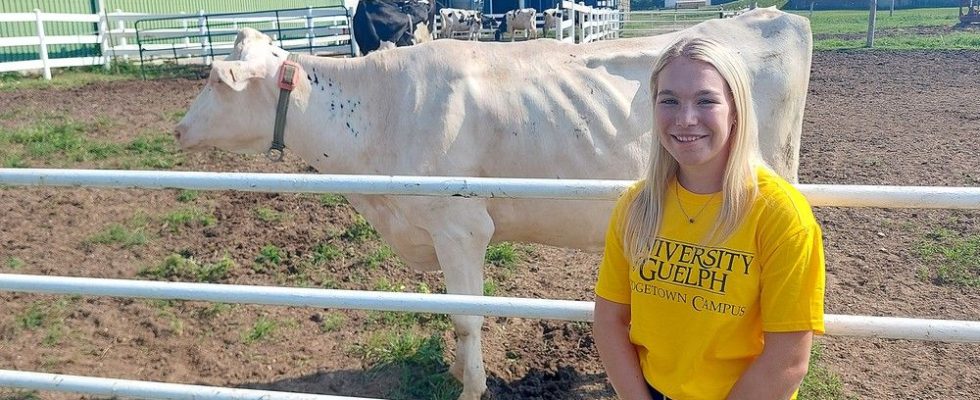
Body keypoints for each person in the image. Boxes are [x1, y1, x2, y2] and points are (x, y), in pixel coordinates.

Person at [593, 37, 825, 400]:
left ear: (735, 110)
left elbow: (788, 360)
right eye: (669, 100)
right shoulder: (637, 207)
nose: (685, 119)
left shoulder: (779, 215)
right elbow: (609, 321)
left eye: (706, 100)